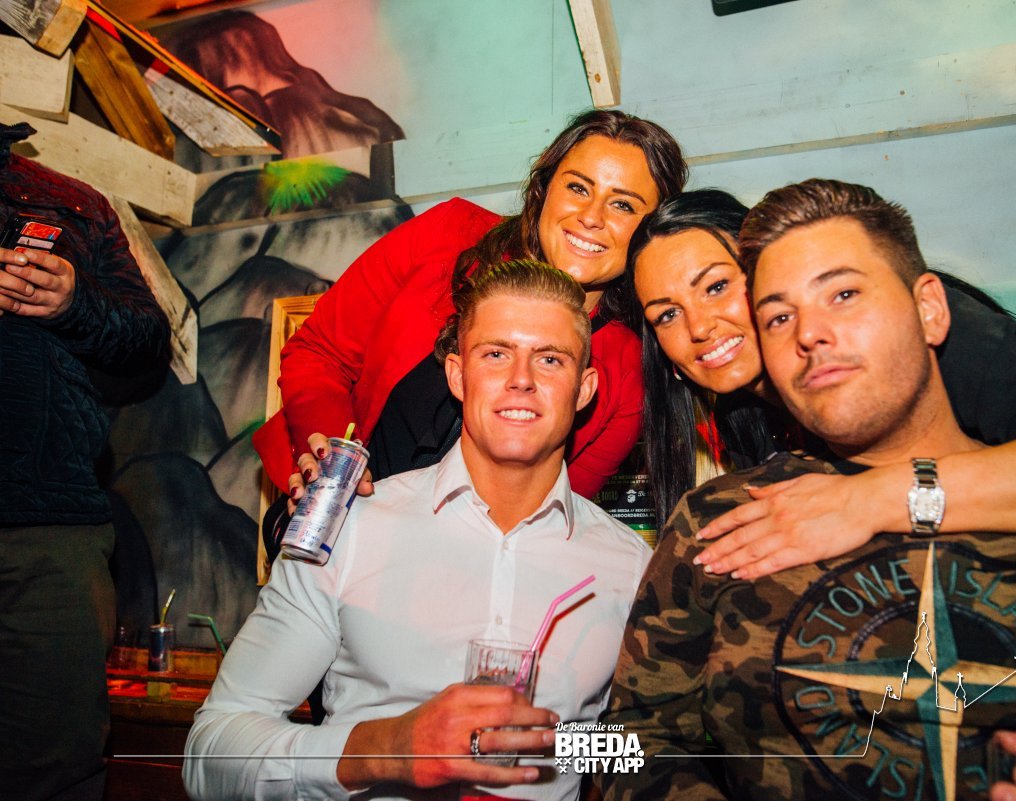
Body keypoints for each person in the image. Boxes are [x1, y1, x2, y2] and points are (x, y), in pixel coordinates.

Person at [599, 180, 1016, 801]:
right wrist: (553, 746)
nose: (700, 326)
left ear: (927, 308)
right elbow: (613, 744)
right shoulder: (714, 515)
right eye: (666, 314)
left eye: (843, 296)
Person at [186, 262, 653, 801]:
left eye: (550, 359)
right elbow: (210, 754)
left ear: (584, 388)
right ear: (457, 375)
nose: (521, 379)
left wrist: (550, 746)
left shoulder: (630, 566)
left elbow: (635, 749)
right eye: (495, 354)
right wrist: (389, 747)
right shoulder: (349, 527)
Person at [618, 189, 1016, 574]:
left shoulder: (921, 336)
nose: (699, 326)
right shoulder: (741, 416)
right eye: (666, 315)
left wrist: (876, 497)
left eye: (717, 286)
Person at [252, 109, 687, 517]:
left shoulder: (626, 375)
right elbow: (319, 353)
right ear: (545, 189)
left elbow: (548, 522)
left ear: (653, 231)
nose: (591, 217)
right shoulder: (447, 235)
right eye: (578, 188)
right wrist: (335, 467)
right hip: (336, 513)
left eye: (623, 204)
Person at [0, 122, 170, 801]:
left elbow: (148, 340)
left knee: (56, 763)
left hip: (50, 527)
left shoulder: (73, 201)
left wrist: (76, 302)